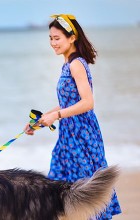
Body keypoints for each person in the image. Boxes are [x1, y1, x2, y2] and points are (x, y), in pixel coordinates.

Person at [25, 14, 121, 219]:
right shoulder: (67, 64)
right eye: (50, 38)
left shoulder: (76, 64)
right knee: (59, 187)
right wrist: (41, 121)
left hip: (82, 136)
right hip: (68, 136)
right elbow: (69, 103)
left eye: (57, 38)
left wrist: (57, 115)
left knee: (85, 190)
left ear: (72, 37)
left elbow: (88, 102)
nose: (53, 43)